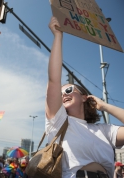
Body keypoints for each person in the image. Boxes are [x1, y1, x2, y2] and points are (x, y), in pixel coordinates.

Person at [46, 16, 124, 178]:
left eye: (68, 91)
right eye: (60, 94)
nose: (63, 95)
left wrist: (105, 106)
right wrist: (58, 37)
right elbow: (53, 80)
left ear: (84, 97)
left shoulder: (104, 130)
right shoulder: (58, 122)